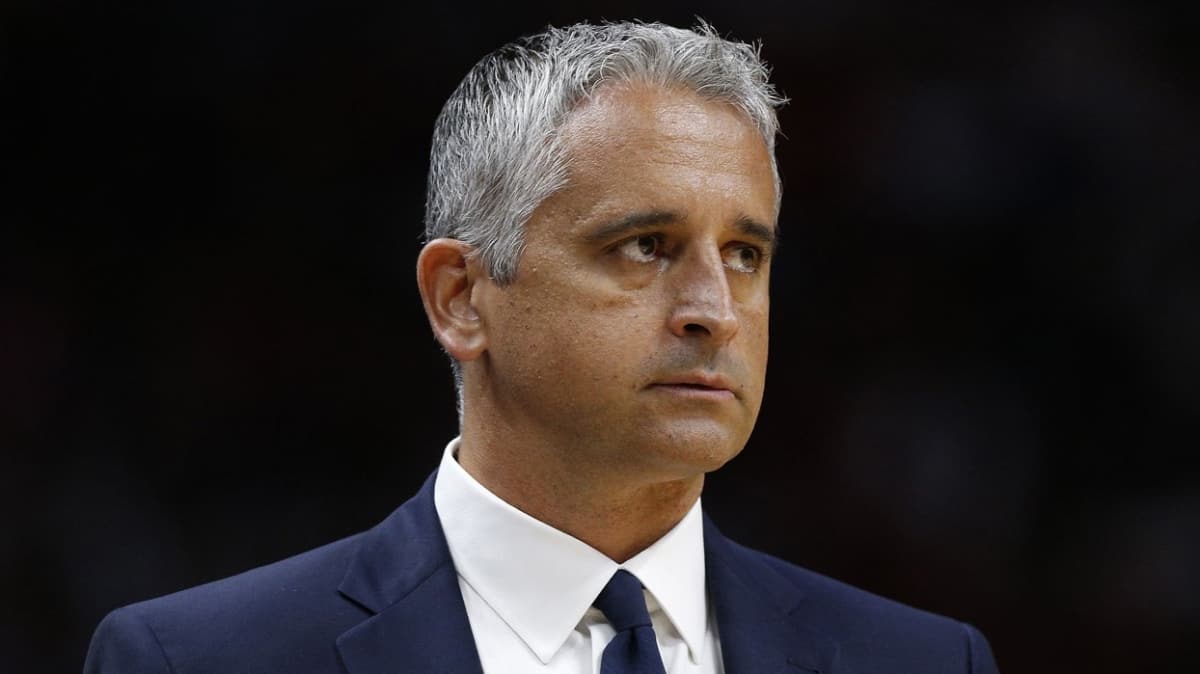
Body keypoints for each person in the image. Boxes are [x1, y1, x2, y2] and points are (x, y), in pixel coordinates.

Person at [84, 20, 1000, 674]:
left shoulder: (925, 661)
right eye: (645, 246)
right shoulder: (194, 659)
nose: (714, 312)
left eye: (745, 255)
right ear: (460, 297)